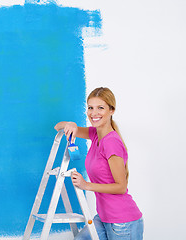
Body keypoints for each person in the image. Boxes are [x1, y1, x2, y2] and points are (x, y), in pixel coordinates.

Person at [54, 87, 143, 240]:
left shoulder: (111, 142)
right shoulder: (95, 134)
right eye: (90, 108)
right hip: (103, 218)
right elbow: (58, 126)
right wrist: (71, 124)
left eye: (100, 108)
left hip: (122, 222)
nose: (94, 113)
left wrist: (86, 185)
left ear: (111, 110)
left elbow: (121, 187)